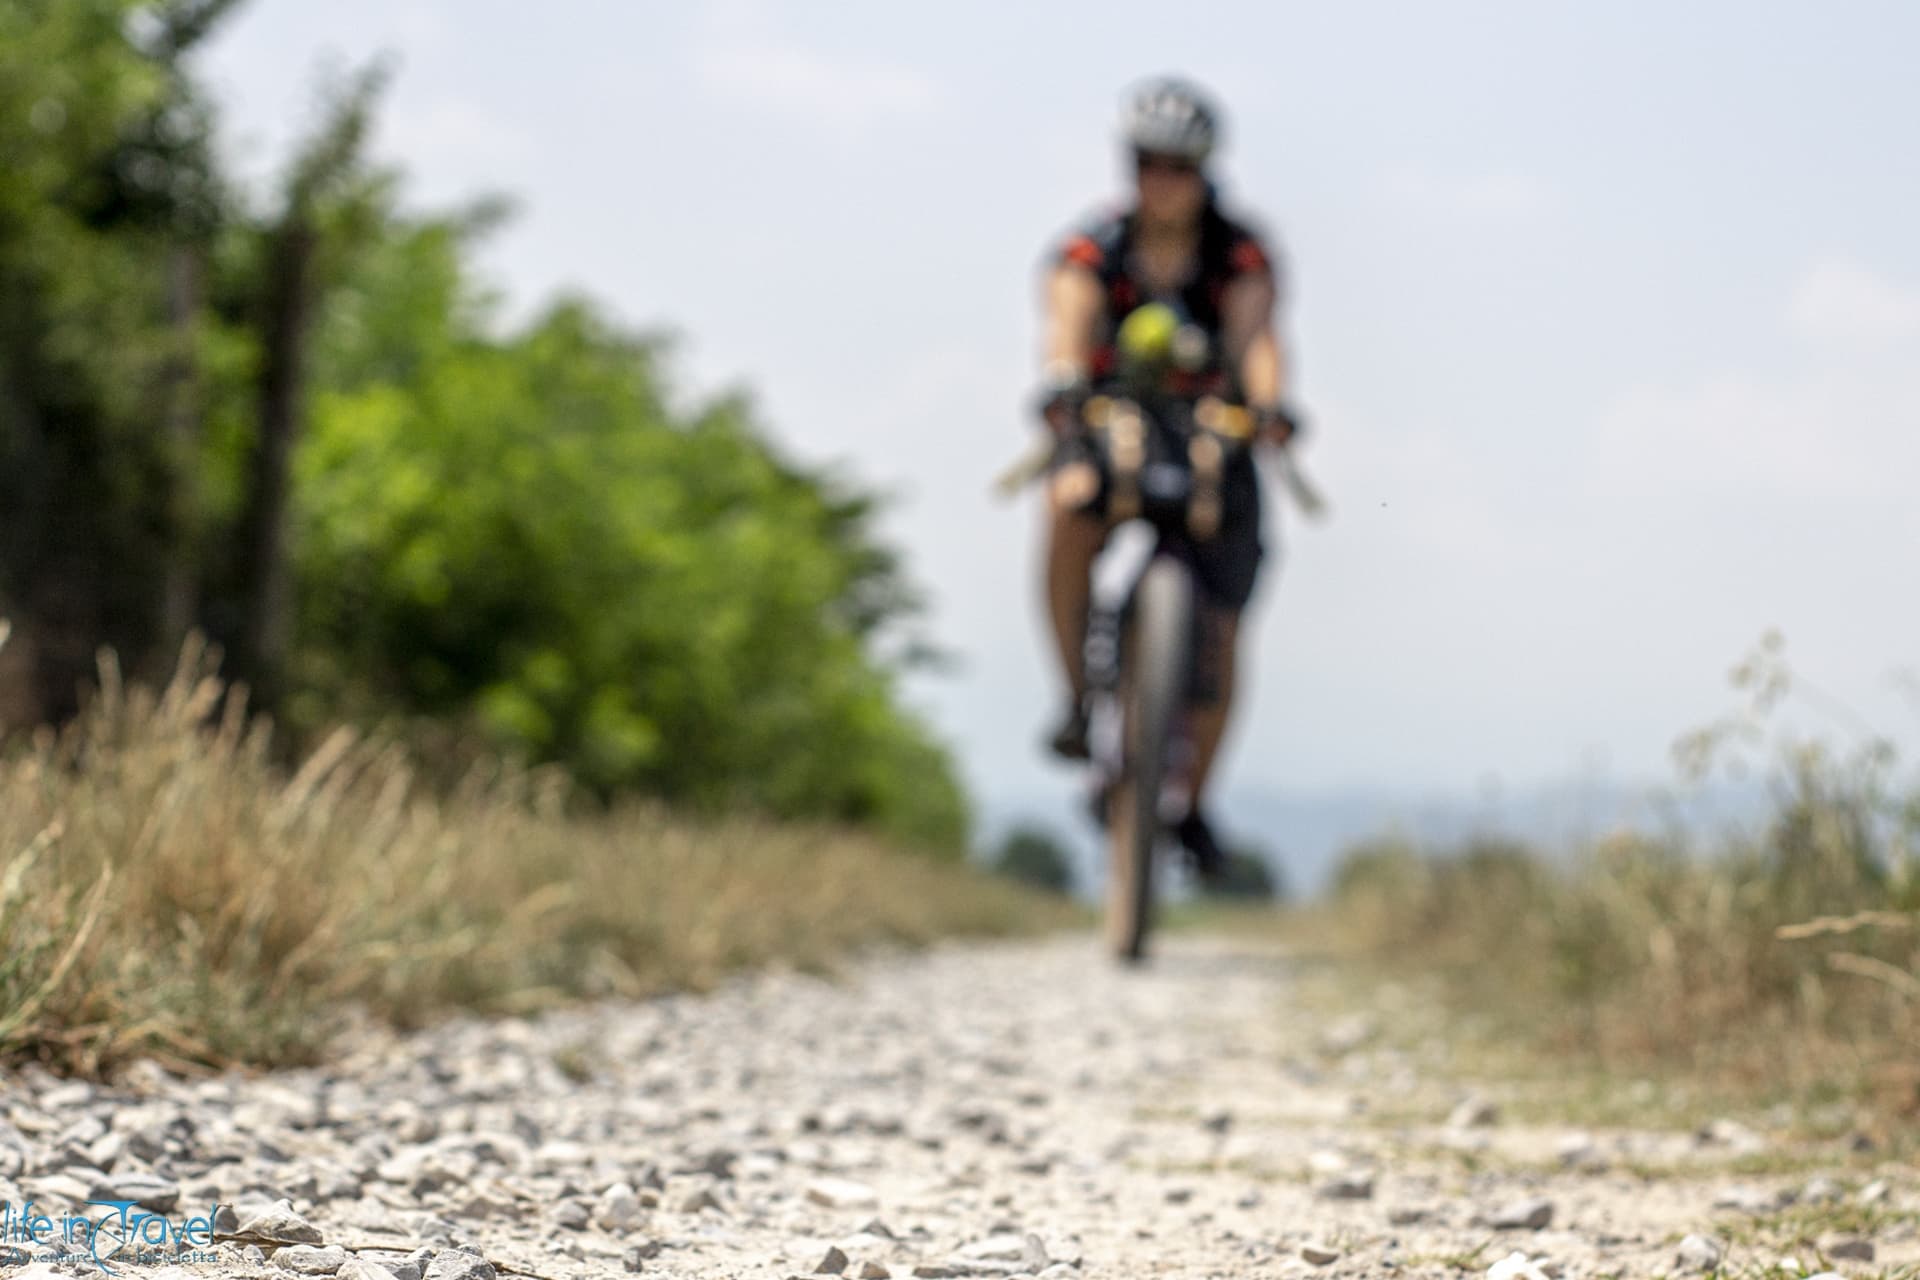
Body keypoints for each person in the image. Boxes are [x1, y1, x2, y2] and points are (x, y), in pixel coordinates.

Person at [1033, 76, 1300, 877]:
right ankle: (1080, 693)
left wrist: (1271, 404)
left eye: (1178, 165)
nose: (1163, 179)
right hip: (1115, 425)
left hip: (1215, 435)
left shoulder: (1239, 252)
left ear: (1204, 170)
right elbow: (1067, 317)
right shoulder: (1093, 246)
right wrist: (1062, 379)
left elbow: (1258, 336)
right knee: (1068, 506)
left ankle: (1193, 798)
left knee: (1224, 623)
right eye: (1149, 162)